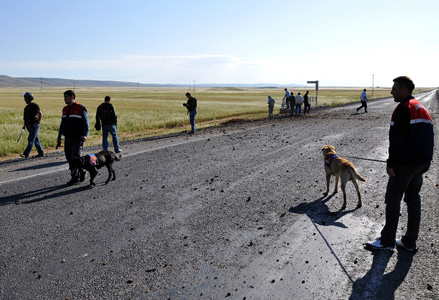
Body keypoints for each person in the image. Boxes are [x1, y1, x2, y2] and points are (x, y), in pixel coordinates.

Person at [365, 76, 434, 251]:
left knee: (393, 199)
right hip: (422, 163)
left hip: (406, 165)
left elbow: (397, 139)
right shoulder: (421, 108)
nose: (391, 92)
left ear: (404, 90)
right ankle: (410, 242)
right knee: (413, 199)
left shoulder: (403, 108)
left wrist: (391, 163)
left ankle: (387, 241)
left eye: (394, 89)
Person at [57, 90, 89, 185]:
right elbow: (62, 124)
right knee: (68, 157)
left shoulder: (80, 108)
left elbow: (86, 123)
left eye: (66, 97)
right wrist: (59, 136)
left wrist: (85, 134)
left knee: (75, 157)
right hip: (68, 137)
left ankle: (75, 177)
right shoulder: (65, 109)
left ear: (72, 97)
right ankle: (81, 171)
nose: (64, 99)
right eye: (64, 97)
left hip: (77, 137)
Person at [20, 92, 45, 158]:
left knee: (30, 139)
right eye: (24, 98)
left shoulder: (35, 106)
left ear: (29, 98)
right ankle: (41, 152)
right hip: (29, 126)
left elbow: (40, 114)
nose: (25, 99)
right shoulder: (26, 107)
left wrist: (38, 123)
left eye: (26, 98)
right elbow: (26, 118)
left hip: (34, 125)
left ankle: (26, 154)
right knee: (36, 140)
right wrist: (25, 125)